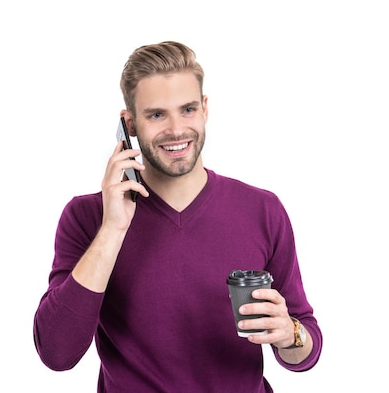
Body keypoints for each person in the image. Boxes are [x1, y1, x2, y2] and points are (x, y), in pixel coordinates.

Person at [33, 41, 322, 392]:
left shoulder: (263, 209)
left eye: (187, 109)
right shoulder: (88, 217)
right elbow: (56, 353)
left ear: (204, 109)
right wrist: (113, 229)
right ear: (130, 125)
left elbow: (304, 350)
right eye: (156, 114)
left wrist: (289, 333)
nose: (176, 129)